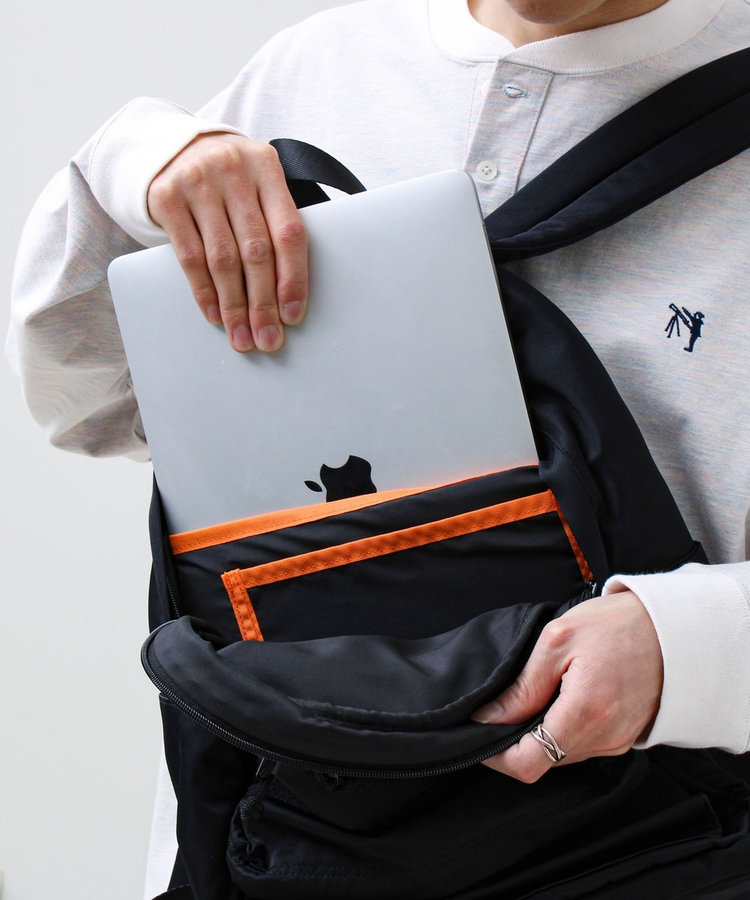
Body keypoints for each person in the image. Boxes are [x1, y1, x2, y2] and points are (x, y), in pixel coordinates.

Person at [7, 0, 750, 895]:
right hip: (275, 841)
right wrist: (130, 162)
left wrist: (691, 645)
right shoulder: (321, 67)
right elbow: (86, 401)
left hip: (653, 844)